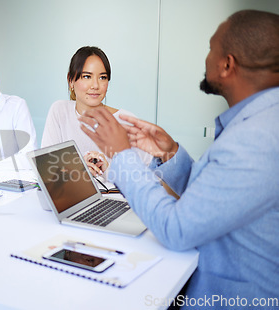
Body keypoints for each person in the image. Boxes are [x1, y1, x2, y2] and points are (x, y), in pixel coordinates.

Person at [80, 10, 279, 309]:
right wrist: (170, 153)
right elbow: (218, 196)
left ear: (227, 64)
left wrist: (122, 156)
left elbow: (177, 229)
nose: (206, 58)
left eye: (211, 48)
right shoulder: (260, 120)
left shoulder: (257, 137)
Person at [41, 46, 150, 177]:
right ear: (70, 81)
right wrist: (77, 167)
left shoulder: (125, 120)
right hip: (73, 195)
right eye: (87, 76)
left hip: (115, 196)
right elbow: (46, 169)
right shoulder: (59, 110)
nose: (95, 86)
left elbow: (147, 177)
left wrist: (108, 169)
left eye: (102, 78)